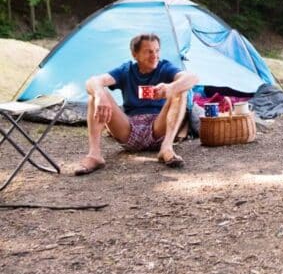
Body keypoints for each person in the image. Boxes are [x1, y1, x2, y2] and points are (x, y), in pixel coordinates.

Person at [74, 33, 199, 175]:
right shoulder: (126, 70)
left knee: (181, 90)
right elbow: (92, 81)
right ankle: (95, 155)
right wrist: (99, 95)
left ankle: (167, 148)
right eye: (148, 51)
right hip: (129, 130)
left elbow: (192, 77)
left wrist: (171, 88)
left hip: (158, 128)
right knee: (95, 95)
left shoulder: (164, 67)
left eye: (157, 51)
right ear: (135, 54)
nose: (154, 56)